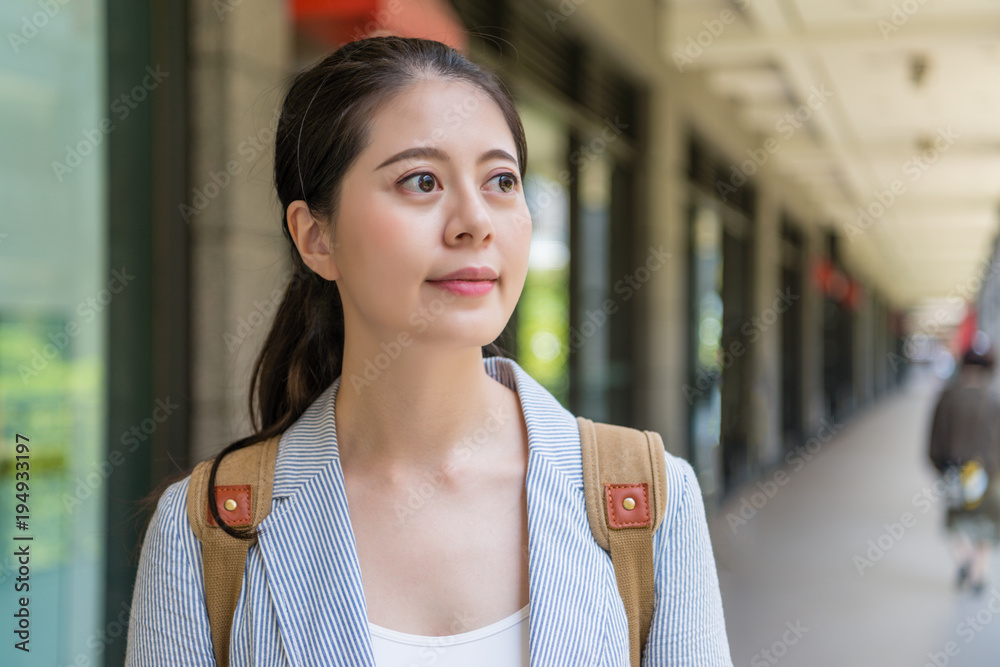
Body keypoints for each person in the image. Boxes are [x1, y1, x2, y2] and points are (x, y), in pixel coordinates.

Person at [125, 36, 733, 666]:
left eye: (502, 180)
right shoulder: (206, 533)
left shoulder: (646, 501)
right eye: (421, 181)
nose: (476, 221)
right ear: (316, 237)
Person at [928, 344, 1000, 595]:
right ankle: (978, 574)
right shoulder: (994, 399)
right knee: (989, 525)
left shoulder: (947, 397)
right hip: (990, 475)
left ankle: (965, 559)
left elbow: (934, 439)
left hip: (955, 471)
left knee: (956, 522)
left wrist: (940, 466)